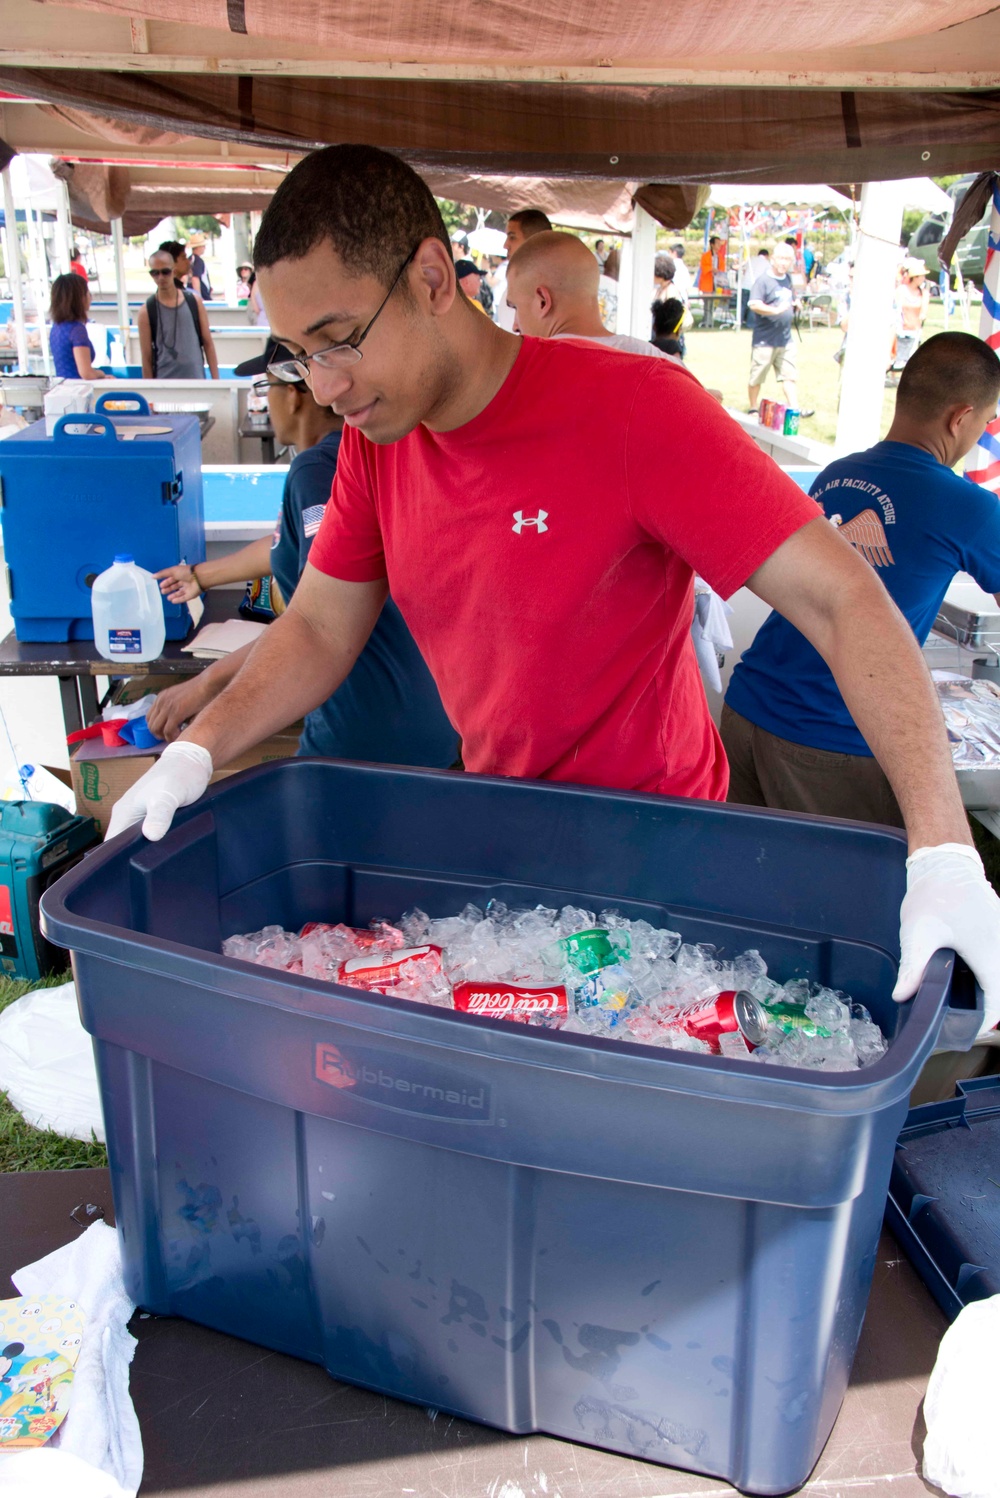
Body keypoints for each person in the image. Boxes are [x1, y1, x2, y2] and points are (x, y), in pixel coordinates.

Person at [108, 142, 1000, 1031]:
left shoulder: (633, 407)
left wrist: (944, 848)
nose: (328, 385)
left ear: (430, 276)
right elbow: (318, 628)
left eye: (341, 340)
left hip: (663, 859)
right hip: (505, 836)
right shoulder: (376, 448)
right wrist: (201, 750)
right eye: (300, 355)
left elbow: (843, 601)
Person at [723, 331, 1000, 830]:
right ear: (961, 417)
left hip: (747, 708)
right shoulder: (968, 506)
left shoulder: (838, 473)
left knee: (751, 882)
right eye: (984, 423)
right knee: (839, 899)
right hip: (831, 736)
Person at [148, 339, 457, 768]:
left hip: (362, 731)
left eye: (265, 389)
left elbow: (321, 615)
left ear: (296, 392)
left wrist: (205, 686)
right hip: (430, 718)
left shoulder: (314, 471)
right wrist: (201, 576)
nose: (265, 404)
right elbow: (309, 547)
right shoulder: (374, 453)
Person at [504, 230, 682, 364]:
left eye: (516, 308)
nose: (514, 326)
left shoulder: (528, 379)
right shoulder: (661, 363)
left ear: (542, 301)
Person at [139, 249, 219, 380]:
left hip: (196, 382)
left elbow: (208, 342)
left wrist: (216, 381)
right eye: (155, 273)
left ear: (174, 271)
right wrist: (151, 394)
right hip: (164, 385)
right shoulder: (147, 310)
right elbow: (146, 357)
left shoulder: (194, 301)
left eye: (165, 272)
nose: (160, 277)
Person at [747, 242, 807, 416]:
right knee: (757, 375)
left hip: (785, 338)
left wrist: (796, 305)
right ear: (773, 259)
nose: (784, 263)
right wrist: (775, 310)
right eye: (781, 258)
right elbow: (754, 304)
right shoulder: (763, 281)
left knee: (789, 375)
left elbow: (790, 298)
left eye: (788, 259)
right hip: (765, 339)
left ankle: (794, 408)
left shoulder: (788, 280)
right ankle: (753, 407)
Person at [48, 273, 116, 381]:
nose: (90, 296)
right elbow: (86, 373)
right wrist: (101, 373)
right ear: (79, 298)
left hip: (62, 388)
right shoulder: (77, 330)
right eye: (87, 292)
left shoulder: (56, 328)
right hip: (77, 392)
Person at [494, 208, 553, 331]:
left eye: (512, 237)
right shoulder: (519, 284)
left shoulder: (556, 289)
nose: (505, 245)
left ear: (535, 240)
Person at [889, 258, 931, 381]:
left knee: (911, 355)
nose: (923, 279)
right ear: (915, 277)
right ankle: (892, 375)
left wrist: (922, 315)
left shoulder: (923, 293)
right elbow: (897, 307)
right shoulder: (901, 290)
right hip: (900, 327)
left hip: (915, 329)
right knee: (895, 354)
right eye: (921, 276)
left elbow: (924, 309)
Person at [187, 235, 213, 301]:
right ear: (198, 247)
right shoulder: (197, 261)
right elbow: (195, 278)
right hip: (202, 297)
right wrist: (199, 297)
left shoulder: (189, 260)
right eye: (203, 246)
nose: (205, 248)